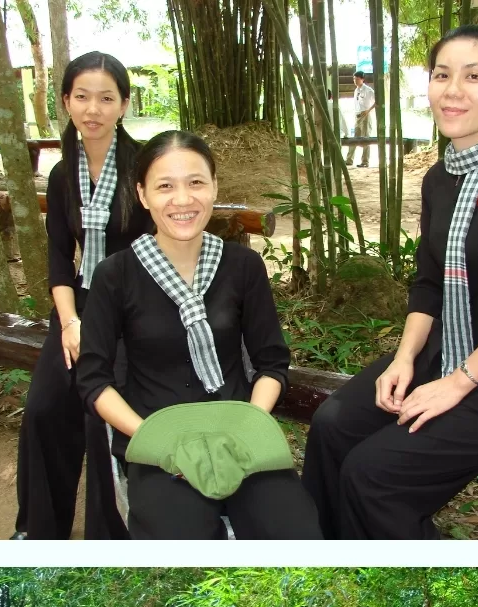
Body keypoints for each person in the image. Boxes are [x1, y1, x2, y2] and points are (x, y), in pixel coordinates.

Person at [303, 25, 478, 539]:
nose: (453, 90)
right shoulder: (439, 177)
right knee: (333, 426)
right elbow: (428, 283)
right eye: (442, 75)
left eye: (474, 76)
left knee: (374, 476)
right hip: (441, 353)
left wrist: (457, 384)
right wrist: (404, 360)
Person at [75, 130, 324, 539]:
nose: (183, 200)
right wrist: (159, 441)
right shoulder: (116, 275)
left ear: (214, 187)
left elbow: (271, 363)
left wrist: (248, 427)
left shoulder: (242, 266)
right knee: (182, 543)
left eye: (195, 182)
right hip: (158, 439)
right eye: (165, 186)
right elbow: (92, 379)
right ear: (142, 195)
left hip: (239, 433)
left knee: (294, 533)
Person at [12, 51, 148, 540]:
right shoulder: (61, 174)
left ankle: (109, 536)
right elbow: (57, 258)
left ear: (124, 105)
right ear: (66, 101)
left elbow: (150, 256)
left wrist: (102, 323)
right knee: (45, 408)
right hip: (78, 305)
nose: (93, 109)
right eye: (82, 97)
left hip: (133, 308)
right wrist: (69, 322)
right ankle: (38, 529)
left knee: (101, 419)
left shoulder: (142, 168)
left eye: (106, 98)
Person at [349, 70, 377, 168]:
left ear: (362, 79)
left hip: (365, 114)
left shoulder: (368, 90)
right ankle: (349, 159)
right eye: (354, 79)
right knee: (354, 138)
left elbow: (377, 101)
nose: (355, 81)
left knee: (366, 138)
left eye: (357, 79)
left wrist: (368, 110)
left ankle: (365, 161)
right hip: (357, 115)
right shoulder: (356, 90)